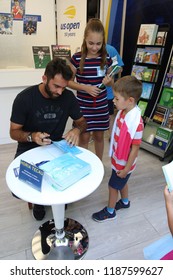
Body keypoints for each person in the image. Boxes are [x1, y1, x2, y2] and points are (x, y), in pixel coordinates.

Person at [10, 58, 87, 221]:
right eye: (56, 86)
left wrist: (76, 130)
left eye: (64, 87)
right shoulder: (24, 98)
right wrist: (32, 136)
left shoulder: (68, 98)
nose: (60, 92)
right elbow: (14, 132)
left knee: (74, 175)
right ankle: (39, 203)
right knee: (20, 186)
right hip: (28, 147)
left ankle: (58, 197)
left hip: (57, 146)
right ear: (44, 78)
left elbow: (82, 123)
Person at [92, 75, 144, 222]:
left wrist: (127, 168)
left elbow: (135, 149)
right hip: (118, 159)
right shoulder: (123, 113)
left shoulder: (136, 123)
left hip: (124, 164)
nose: (113, 101)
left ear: (130, 101)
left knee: (112, 186)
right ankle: (125, 202)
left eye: (116, 98)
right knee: (122, 183)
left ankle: (110, 211)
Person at [68, 18, 113, 161]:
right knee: (84, 137)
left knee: (99, 136)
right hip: (83, 106)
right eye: (91, 43)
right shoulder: (76, 58)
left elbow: (111, 82)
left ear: (103, 42)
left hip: (101, 105)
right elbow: (68, 82)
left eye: (98, 44)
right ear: (85, 40)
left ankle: (98, 164)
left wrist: (109, 82)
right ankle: (83, 165)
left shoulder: (106, 58)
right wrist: (85, 88)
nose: (94, 47)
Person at [106, 44, 124, 139]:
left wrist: (110, 71)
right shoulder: (87, 48)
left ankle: (112, 136)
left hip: (107, 92)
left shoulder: (110, 49)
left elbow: (120, 67)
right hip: (91, 92)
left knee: (109, 116)